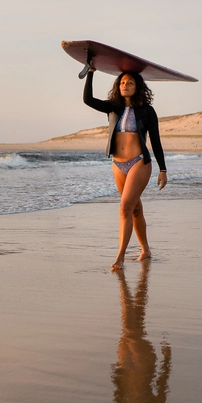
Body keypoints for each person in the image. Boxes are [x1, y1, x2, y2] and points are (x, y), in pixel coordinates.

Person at [83, 71, 167, 269]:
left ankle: (120, 257)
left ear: (137, 86)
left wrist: (163, 169)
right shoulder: (113, 107)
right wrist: (91, 72)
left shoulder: (147, 110)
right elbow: (87, 99)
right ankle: (145, 249)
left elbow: (155, 141)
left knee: (124, 208)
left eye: (130, 82)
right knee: (135, 209)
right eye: (122, 82)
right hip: (118, 164)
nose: (125, 85)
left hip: (139, 162)